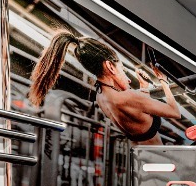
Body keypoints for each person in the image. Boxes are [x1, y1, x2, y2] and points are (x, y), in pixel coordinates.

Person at [28, 31, 180, 145]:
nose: (128, 78)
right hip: (159, 160)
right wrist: (163, 80)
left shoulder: (101, 98)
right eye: (122, 70)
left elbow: (138, 115)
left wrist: (144, 87)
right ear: (110, 67)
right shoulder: (129, 97)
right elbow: (175, 112)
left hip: (140, 160)